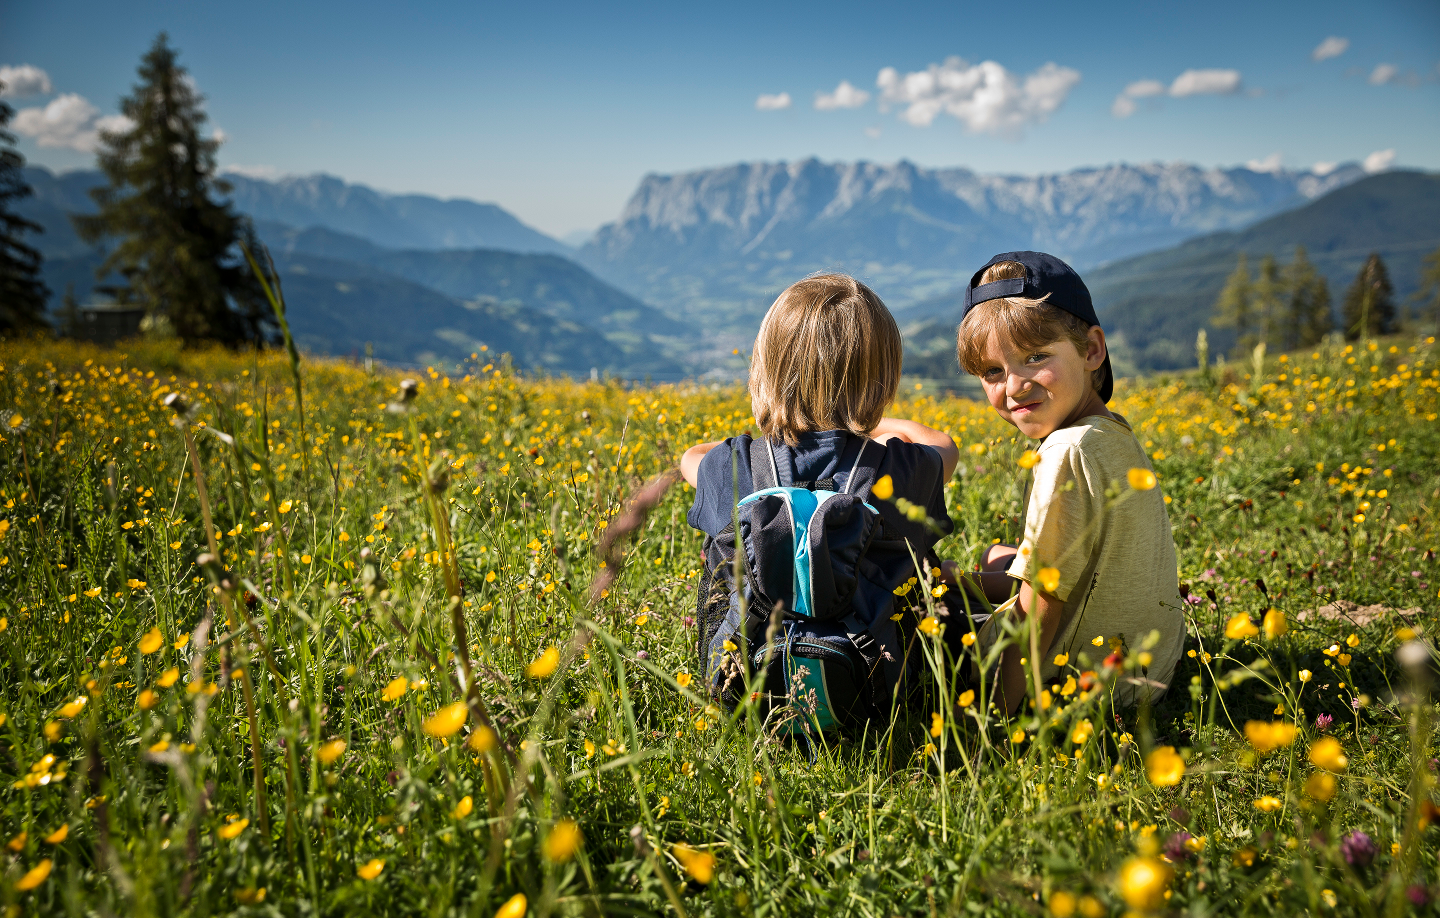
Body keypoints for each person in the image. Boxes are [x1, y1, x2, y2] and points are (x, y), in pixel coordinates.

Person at [681, 273, 959, 727]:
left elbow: (689, 459)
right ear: (885, 380)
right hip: (878, 702)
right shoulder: (899, 470)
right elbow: (943, 444)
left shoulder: (732, 468)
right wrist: (873, 427)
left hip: (742, 690)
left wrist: (765, 439)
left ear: (764, 370)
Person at [950, 252, 1183, 712]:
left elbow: (1042, 607)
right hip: (1153, 666)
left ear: (1092, 350)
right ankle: (963, 581)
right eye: (993, 372)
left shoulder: (1065, 452)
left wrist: (999, 723)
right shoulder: (1108, 431)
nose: (1014, 386)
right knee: (995, 557)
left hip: (1086, 688)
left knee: (916, 618)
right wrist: (960, 581)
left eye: (1035, 357)